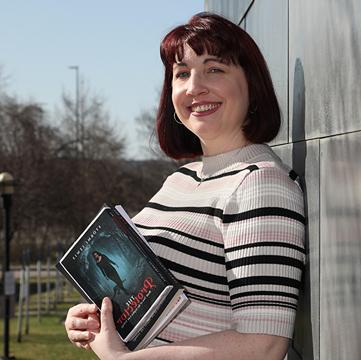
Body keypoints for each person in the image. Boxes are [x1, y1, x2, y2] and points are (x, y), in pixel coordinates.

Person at [64, 12, 306, 360]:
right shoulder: (180, 180)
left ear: (252, 85)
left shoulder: (259, 183)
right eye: (182, 73)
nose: (195, 87)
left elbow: (262, 344)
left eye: (215, 69)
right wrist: (97, 320)